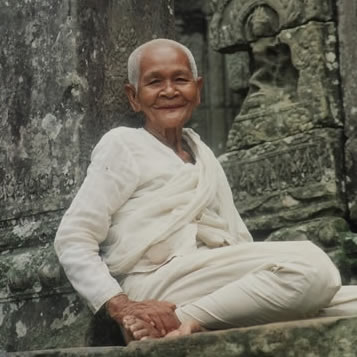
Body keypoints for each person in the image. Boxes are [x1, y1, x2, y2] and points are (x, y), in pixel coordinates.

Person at [54, 38, 357, 342]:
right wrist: (123, 306)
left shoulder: (204, 154)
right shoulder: (123, 144)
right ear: (134, 97)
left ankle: (187, 321)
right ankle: (178, 319)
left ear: (197, 90)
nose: (170, 90)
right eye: (155, 82)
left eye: (180, 80)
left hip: (214, 282)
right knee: (313, 266)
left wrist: (258, 292)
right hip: (158, 284)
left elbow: (238, 238)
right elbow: (73, 238)